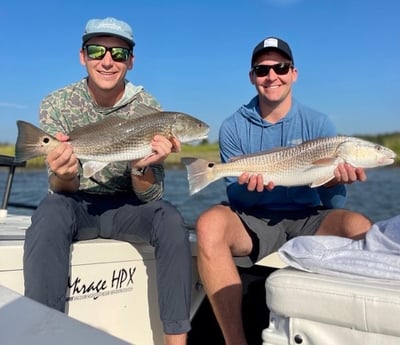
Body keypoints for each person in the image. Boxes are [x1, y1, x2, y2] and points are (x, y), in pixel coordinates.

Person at [23, 17, 191, 345]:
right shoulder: (56, 104)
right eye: (97, 50)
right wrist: (65, 174)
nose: (107, 60)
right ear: (83, 56)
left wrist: (141, 167)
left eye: (118, 52)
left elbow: (152, 195)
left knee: (170, 219)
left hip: (128, 206)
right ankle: (44, 335)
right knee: (49, 213)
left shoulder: (150, 109)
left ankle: (176, 340)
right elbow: (57, 189)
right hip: (76, 202)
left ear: (131, 60)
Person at [195, 36, 373, 345]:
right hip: (254, 217)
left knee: (359, 226)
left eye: (281, 67)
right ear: (252, 77)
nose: (272, 76)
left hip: (308, 216)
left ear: (293, 73)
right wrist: (253, 191)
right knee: (209, 224)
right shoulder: (233, 126)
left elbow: (333, 203)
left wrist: (333, 182)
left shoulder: (320, 124)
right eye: (262, 70)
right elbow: (235, 197)